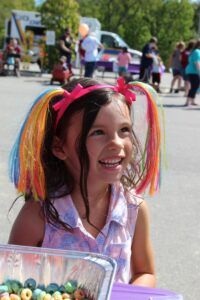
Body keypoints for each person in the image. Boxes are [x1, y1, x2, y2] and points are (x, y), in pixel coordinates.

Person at [8, 77, 162, 287]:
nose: (116, 143)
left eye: (124, 130)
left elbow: (145, 272)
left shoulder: (133, 209)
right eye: (98, 132)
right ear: (59, 147)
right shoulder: (38, 215)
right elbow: (11, 283)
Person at [185, 39, 200, 106]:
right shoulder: (197, 51)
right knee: (194, 86)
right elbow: (197, 63)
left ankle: (192, 101)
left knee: (194, 86)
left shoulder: (194, 51)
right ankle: (188, 101)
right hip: (193, 71)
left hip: (191, 70)